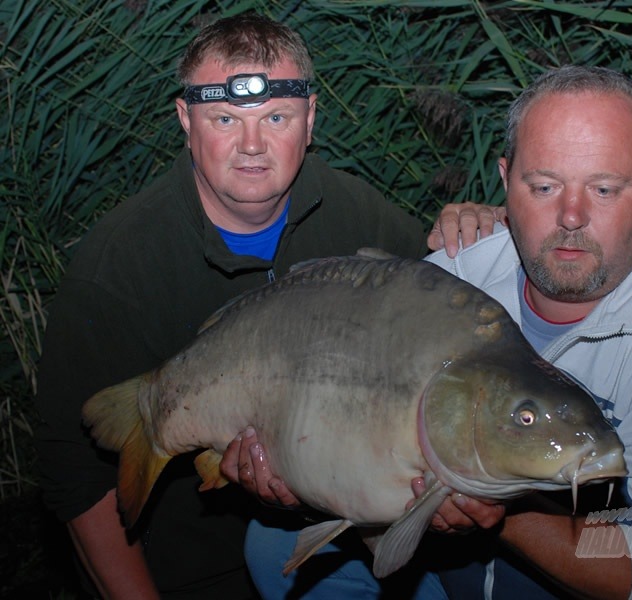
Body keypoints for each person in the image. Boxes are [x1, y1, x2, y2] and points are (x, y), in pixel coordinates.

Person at [232, 65, 632, 599]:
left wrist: (492, 505)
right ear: (505, 178)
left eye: (605, 189)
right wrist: (294, 464)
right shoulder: (459, 274)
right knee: (274, 542)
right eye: (543, 186)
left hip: (598, 572)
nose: (571, 216)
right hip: (455, 573)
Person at [34, 13, 433, 599]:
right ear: (185, 121)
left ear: (311, 119)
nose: (252, 145)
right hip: (195, 570)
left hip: (338, 546)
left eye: (276, 118)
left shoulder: (360, 217)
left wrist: (475, 230)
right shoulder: (118, 266)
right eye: (225, 119)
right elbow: (75, 477)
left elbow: (446, 320)